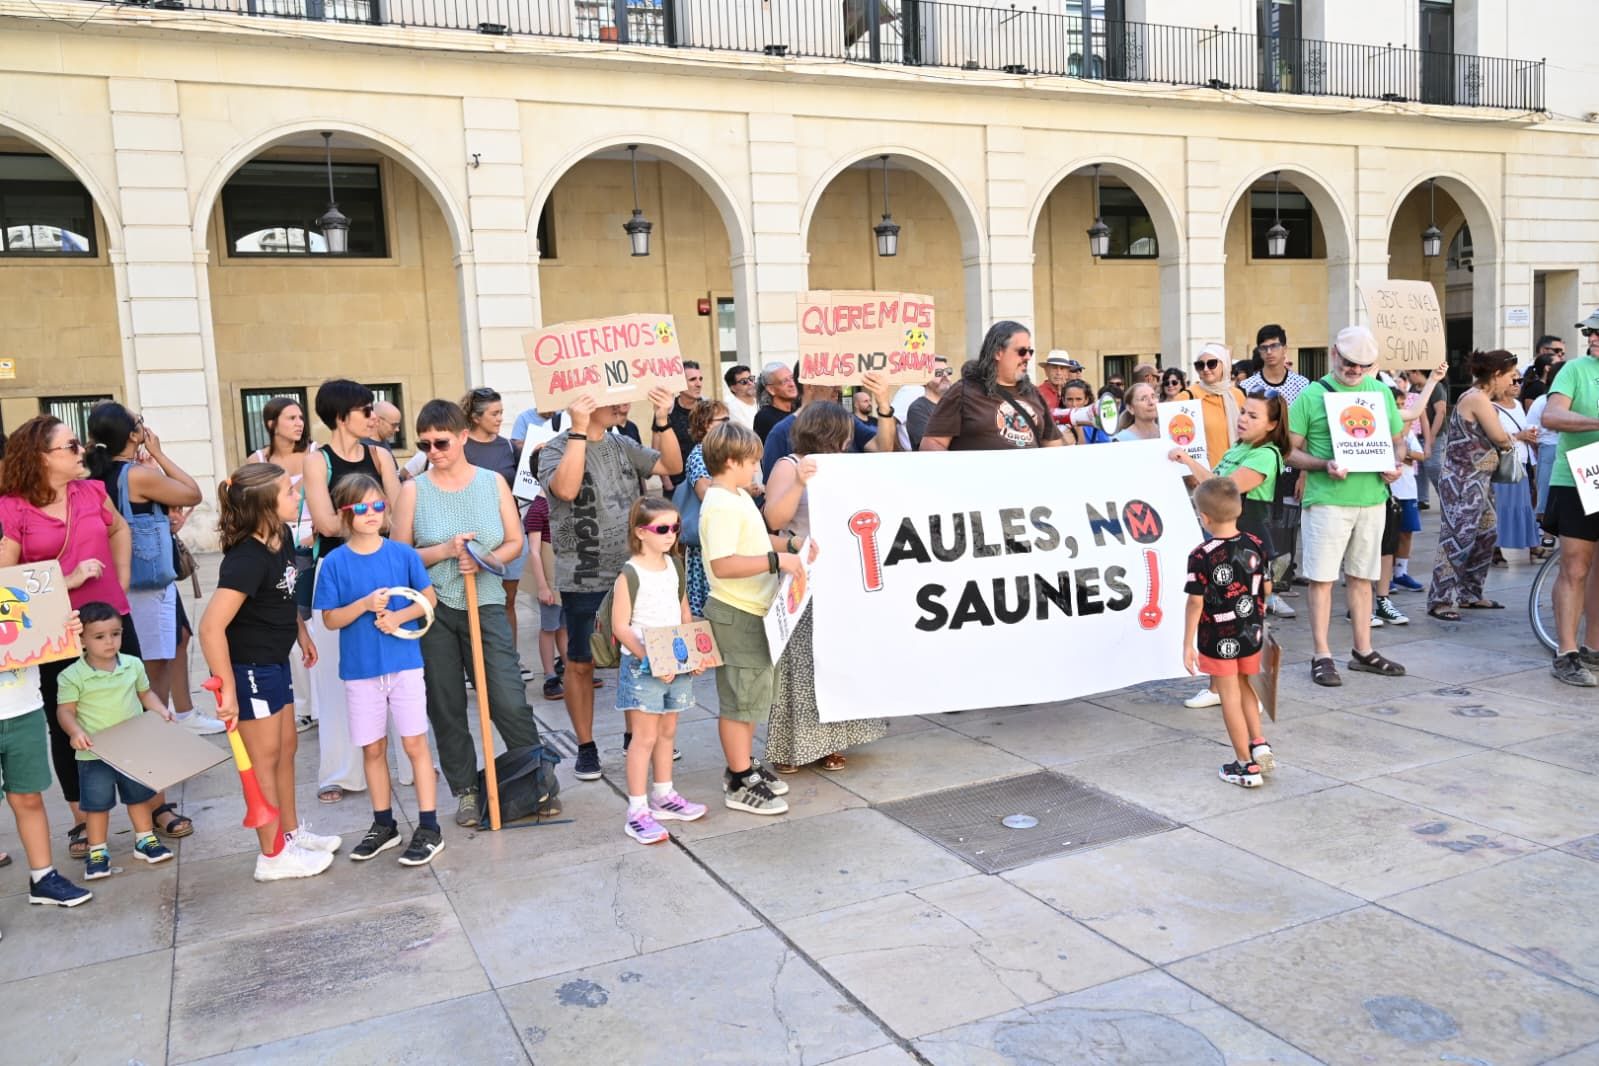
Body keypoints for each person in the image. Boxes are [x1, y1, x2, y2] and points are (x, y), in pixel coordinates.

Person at [0, 416, 197, 859]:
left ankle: (155, 804)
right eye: (70, 446)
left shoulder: (91, 491)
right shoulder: (12, 507)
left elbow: (118, 528)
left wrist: (120, 580)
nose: (82, 452)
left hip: (110, 617)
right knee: (66, 720)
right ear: (40, 458)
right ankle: (82, 820)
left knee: (136, 704)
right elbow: (6, 581)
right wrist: (66, 581)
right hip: (55, 630)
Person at [392, 400, 546, 827]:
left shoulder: (492, 482)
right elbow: (398, 556)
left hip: (487, 600)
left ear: (462, 436)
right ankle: (466, 790)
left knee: (508, 697)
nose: (433, 451)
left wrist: (484, 558)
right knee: (446, 703)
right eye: (424, 445)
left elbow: (514, 542)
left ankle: (534, 778)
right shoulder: (413, 490)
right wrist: (444, 551)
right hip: (434, 608)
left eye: (441, 442)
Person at [198, 461, 340, 881]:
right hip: (250, 669)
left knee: (286, 749)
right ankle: (272, 855)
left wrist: (301, 633)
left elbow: (283, 595)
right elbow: (211, 627)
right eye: (289, 492)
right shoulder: (245, 559)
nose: (297, 497)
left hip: (276, 660)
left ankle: (290, 835)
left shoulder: (282, 536)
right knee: (263, 760)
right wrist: (227, 689)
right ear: (264, 504)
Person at [538, 388, 683, 781]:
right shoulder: (554, 449)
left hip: (633, 572)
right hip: (585, 575)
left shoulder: (623, 443)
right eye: (614, 399)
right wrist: (579, 429)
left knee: (635, 659)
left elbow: (672, 464)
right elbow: (566, 490)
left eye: (626, 398)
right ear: (586, 402)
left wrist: (662, 418)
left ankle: (635, 736)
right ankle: (586, 747)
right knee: (580, 663)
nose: (624, 405)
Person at [312, 475, 443, 866]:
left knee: (415, 743)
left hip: (404, 664)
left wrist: (398, 617)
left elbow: (428, 599)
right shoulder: (335, 563)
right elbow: (330, 619)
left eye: (378, 506)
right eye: (361, 508)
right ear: (345, 514)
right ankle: (384, 824)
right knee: (372, 747)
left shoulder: (403, 555)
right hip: (361, 669)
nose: (371, 514)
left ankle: (430, 826)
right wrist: (365, 605)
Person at [761, 403, 886, 772]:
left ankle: (833, 740)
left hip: (840, 572)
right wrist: (800, 481)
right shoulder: (788, 464)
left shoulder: (844, 465)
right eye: (845, 430)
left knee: (836, 657)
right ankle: (792, 747)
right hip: (801, 572)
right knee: (800, 661)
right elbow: (773, 518)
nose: (850, 437)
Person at [699, 422, 815, 815]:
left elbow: (757, 540)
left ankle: (744, 766)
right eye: (752, 462)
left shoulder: (737, 497)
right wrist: (776, 560)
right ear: (731, 461)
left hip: (754, 610)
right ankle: (738, 780)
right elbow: (724, 564)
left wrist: (792, 544)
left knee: (751, 700)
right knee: (739, 700)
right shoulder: (719, 504)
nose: (757, 469)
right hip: (737, 612)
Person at [1286, 326, 1407, 687]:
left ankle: (1363, 650)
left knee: (1363, 577)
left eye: (1364, 365)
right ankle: (1321, 654)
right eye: (1350, 362)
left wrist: (1396, 464)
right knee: (1322, 579)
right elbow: (1288, 451)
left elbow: (1397, 440)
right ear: (1334, 354)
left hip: (1372, 499)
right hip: (1327, 500)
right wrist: (1323, 464)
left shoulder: (1380, 392)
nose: (1355, 370)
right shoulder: (1311, 395)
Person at [302, 379, 401, 805]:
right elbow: (324, 524)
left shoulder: (380, 455)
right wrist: (373, 520)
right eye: (365, 411)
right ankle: (340, 772)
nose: (373, 418)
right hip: (337, 570)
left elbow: (397, 513)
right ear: (342, 417)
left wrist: (360, 522)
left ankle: (409, 762)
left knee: (397, 666)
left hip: (384, 566)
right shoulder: (317, 461)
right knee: (335, 675)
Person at [84, 403, 211, 734]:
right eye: (139, 422)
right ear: (132, 435)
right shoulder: (135, 475)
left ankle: (169, 720)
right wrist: (159, 454)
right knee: (155, 662)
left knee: (166, 645)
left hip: (119, 576)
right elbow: (192, 493)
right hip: (147, 582)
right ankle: (157, 731)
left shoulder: (96, 473)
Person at [1170, 391, 1291, 706]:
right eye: (1243, 412)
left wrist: (1188, 461)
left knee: (1240, 619)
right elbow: (1213, 483)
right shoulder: (1239, 447)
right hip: (1222, 543)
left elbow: (1222, 490)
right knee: (1218, 613)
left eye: (1253, 416)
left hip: (1245, 545)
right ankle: (1218, 687)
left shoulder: (1266, 454)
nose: (1243, 419)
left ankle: (1250, 691)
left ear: (1272, 424)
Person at [610, 496, 708, 844]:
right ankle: (637, 810)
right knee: (644, 737)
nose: (671, 534)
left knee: (668, 731)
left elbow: (684, 613)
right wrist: (650, 660)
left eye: (675, 528)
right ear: (641, 532)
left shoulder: (674, 565)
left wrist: (692, 654)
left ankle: (664, 795)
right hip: (643, 667)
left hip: (674, 663)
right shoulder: (630, 574)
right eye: (662, 528)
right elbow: (620, 626)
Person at [55, 601, 177, 879]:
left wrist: (160, 710)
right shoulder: (71, 676)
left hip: (131, 747)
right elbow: (65, 711)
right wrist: (75, 732)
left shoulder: (132, 665)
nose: (109, 642)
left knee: (139, 796)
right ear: (82, 640)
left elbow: (145, 694)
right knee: (96, 805)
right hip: (94, 753)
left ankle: (145, 839)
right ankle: (97, 850)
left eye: (115, 634)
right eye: (99, 636)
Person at [1182, 479, 1275, 789]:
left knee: (1229, 697)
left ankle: (1245, 765)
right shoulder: (1255, 543)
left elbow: (1195, 602)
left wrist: (1187, 643)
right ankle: (1259, 744)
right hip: (1251, 633)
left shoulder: (1201, 555)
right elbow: (1267, 586)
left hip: (1218, 638)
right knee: (1247, 687)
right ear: (1239, 509)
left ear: (1204, 517)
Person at [0, 609, 93, 913]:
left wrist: (63, 624)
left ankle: (43, 878)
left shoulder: (17, 589)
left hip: (23, 709)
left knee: (29, 796)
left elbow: (40, 617)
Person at [1427, 350, 1520, 621]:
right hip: (1462, 482)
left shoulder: (1482, 398)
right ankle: (1440, 600)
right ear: (1497, 374)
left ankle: (1470, 593)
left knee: (1486, 535)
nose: (1513, 382)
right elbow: (1499, 437)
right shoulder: (1477, 398)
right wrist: (1515, 438)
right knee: (1458, 538)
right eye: (1511, 376)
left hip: (1480, 480)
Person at [1538, 310, 1599, 686]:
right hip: (1579, 477)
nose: (1593, 337)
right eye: (1591, 331)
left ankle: (1593, 647)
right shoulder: (1575, 370)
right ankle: (1566, 652)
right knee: (1575, 566)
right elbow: (1552, 416)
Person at [921, 321, 1065, 451]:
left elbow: (1053, 446)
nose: (1027, 357)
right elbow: (932, 444)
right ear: (998, 353)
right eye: (1021, 351)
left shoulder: (1033, 393)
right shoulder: (963, 392)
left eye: (1030, 352)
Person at [460, 387, 528, 653]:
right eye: (494, 413)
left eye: (501, 412)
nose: (500, 418)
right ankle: (477, 660)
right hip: (476, 536)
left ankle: (510, 658)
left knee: (508, 600)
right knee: (477, 602)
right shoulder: (461, 447)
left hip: (510, 533)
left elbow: (525, 484)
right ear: (476, 417)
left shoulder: (508, 446)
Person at [761, 375, 899, 481]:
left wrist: (884, 404)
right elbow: (772, 491)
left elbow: (883, 449)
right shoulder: (780, 433)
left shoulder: (846, 420)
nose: (838, 388)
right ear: (809, 386)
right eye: (831, 383)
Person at [680, 399, 729, 617]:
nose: (728, 424)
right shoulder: (700, 454)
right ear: (707, 424)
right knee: (705, 609)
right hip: (705, 541)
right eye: (723, 420)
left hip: (717, 535)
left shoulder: (718, 453)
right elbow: (704, 491)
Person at [522, 479, 567, 702]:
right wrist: (542, 586)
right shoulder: (538, 508)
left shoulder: (563, 503)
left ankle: (569, 667)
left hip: (567, 576)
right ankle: (550, 675)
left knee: (564, 626)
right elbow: (534, 551)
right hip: (550, 578)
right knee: (549, 627)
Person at [1492, 371, 1542, 563]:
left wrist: (1530, 439)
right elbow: (1494, 437)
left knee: (1523, 504)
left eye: (1519, 381)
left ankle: (1532, 545)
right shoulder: (1492, 407)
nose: (1516, 384)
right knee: (1502, 505)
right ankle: (1495, 548)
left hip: (1521, 460)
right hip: (1503, 463)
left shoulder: (1518, 405)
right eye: (1513, 380)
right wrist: (1520, 436)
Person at [1179, 343, 1247, 470]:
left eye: (1212, 364)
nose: (1205, 369)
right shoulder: (1187, 397)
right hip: (1204, 474)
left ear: (1224, 365)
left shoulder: (1237, 395)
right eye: (1200, 365)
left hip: (1237, 472)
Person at [1407, 365, 1448, 510]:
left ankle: (1447, 497)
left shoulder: (1436, 387)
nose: (1408, 378)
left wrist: (1431, 436)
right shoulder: (1413, 388)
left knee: (1433, 466)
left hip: (1435, 433)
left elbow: (1440, 412)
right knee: (1419, 468)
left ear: (1417, 372)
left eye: (1409, 374)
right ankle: (1422, 498)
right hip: (1417, 433)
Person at [1240, 325, 1311, 407]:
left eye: (1274, 346)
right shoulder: (1247, 387)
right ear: (1259, 351)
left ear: (1284, 349)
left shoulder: (1302, 385)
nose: (1269, 352)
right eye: (1264, 347)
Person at [665, 360, 705, 487]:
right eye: (693, 379)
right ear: (680, 384)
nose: (699, 384)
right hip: (677, 483)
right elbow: (658, 448)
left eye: (700, 379)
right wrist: (668, 485)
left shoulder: (708, 409)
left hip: (706, 481)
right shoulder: (668, 410)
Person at [906, 356, 953, 449]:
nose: (945, 375)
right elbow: (930, 448)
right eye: (938, 372)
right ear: (924, 380)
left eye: (948, 371)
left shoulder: (954, 405)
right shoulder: (918, 409)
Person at [753, 362, 800, 441]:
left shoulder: (798, 409)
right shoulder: (765, 417)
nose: (792, 384)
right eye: (784, 381)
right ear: (771, 390)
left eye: (792, 378)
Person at [1038, 351, 1081, 427]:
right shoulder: (1039, 394)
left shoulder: (1069, 391)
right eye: (1054, 368)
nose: (1058, 373)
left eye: (1062, 368)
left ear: (1067, 373)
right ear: (1046, 371)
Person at [724, 365, 759, 430]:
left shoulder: (761, 402)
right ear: (733, 388)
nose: (750, 383)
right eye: (744, 381)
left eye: (751, 379)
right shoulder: (731, 408)